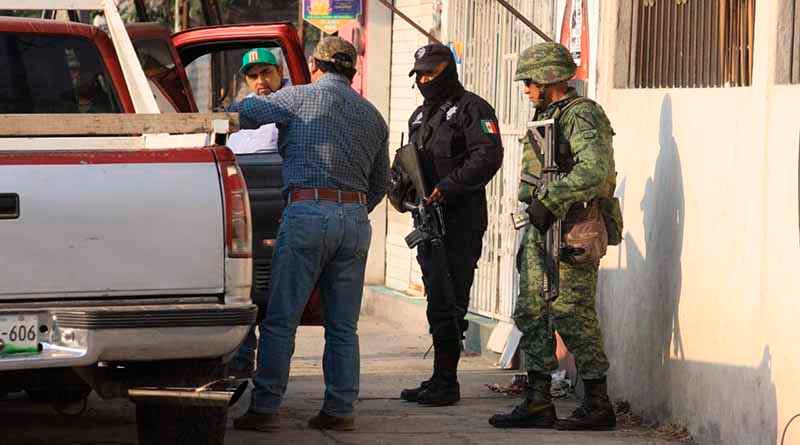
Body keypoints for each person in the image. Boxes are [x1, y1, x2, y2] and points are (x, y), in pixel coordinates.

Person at [229, 36, 389, 433]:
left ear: (315, 66)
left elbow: (244, 113)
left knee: (281, 319)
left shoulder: (298, 97)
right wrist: (349, 210)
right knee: (343, 327)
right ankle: (340, 409)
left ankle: (265, 408)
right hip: (355, 220)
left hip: (307, 213)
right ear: (352, 71)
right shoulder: (373, 116)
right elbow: (380, 184)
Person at [488, 42, 619, 431]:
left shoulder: (582, 114)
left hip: (572, 229)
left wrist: (552, 199)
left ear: (548, 79)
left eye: (530, 82)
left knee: (572, 313)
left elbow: (595, 170)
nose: (526, 89)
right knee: (533, 312)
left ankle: (598, 403)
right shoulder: (548, 115)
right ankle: (538, 400)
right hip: (542, 228)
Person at [393, 43, 503, 406]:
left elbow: (488, 156)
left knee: (453, 298)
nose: (425, 80)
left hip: (460, 219)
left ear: (448, 70)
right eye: (420, 75)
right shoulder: (419, 117)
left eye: (432, 73)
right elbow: (410, 163)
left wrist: (448, 186)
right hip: (428, 220)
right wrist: (400, 188)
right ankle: (440, 377)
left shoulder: (473, 109)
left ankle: (448, 381)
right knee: (437, 298)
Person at [226, 48, 286, 155]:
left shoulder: (293, 99)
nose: (260, 81)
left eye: (266, 72)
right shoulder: (246, 103)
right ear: (246, 80)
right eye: (253, 76)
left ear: (280, 72)